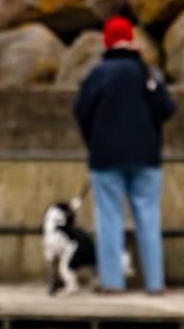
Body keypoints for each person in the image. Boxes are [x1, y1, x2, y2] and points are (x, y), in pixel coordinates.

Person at [73, 15, 176, 294]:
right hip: (146, 157)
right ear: (131, 40)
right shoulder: (145, 72)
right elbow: (167, 108)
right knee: (148, 216)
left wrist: (94, 141)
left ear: (107, 42)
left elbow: (81, 110)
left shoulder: (99, 74)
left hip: (106, 157)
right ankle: (155, 283)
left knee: (109, 218)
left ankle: (112, 282)